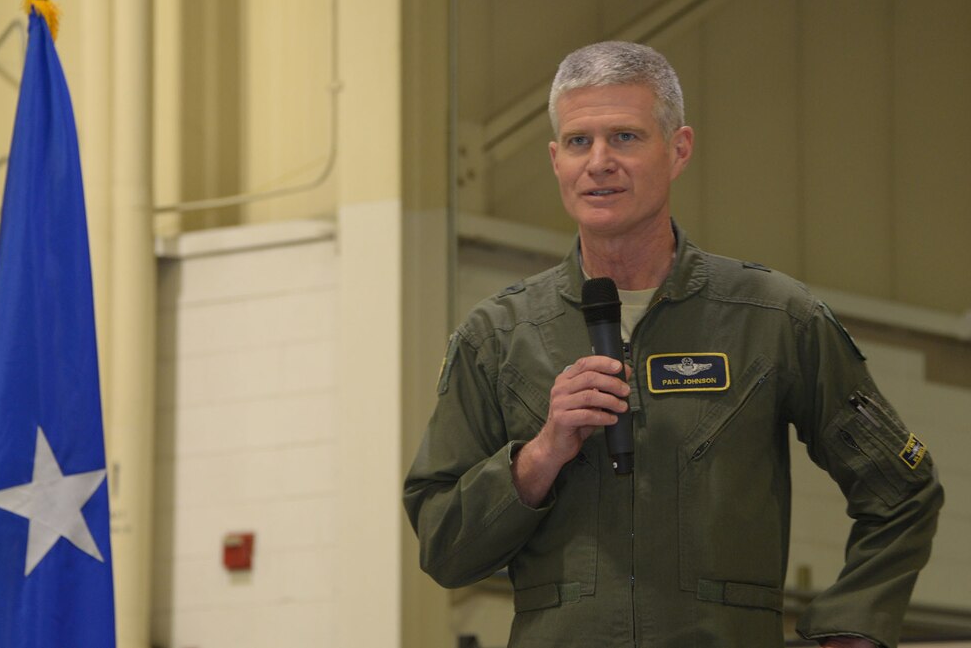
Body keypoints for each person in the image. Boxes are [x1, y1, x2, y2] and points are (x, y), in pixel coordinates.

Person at [403, 41, 943, 647]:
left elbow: (903, 490)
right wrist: (540, 455)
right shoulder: (498, 337)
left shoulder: (772, 318)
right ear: (555, 159)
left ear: (678, 149)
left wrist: (851, 626)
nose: (600, 162)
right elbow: (443, 547)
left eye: (626, 138)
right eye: (580, 142)